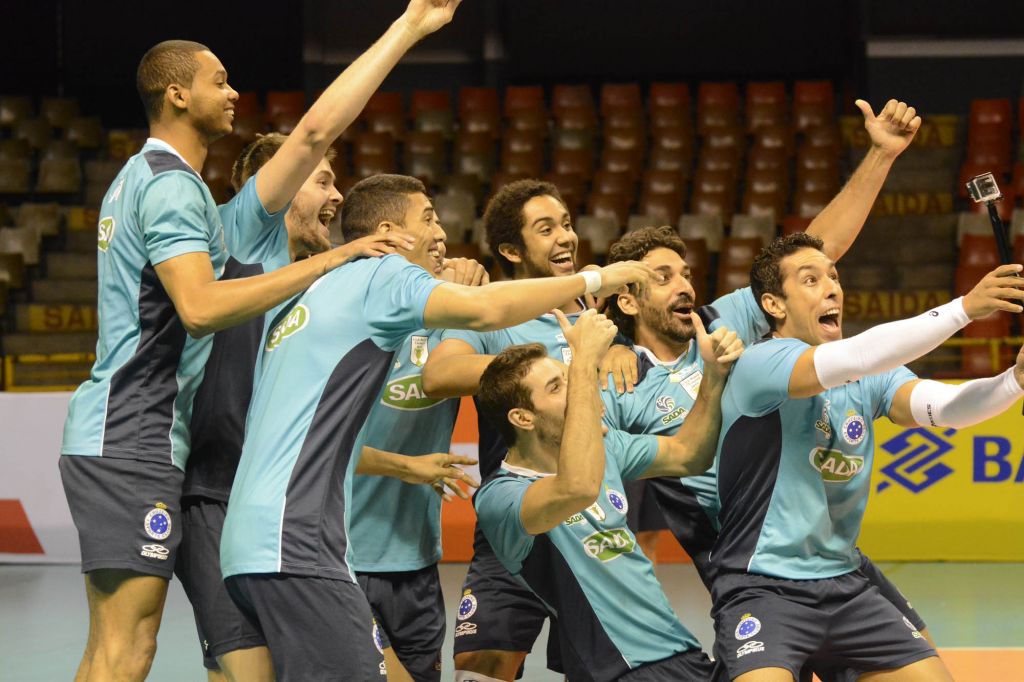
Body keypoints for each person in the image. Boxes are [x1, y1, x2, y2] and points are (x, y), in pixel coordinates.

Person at [422, 98, 923, 682]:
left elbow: (812, 251)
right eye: (545, 228)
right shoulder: (513, 321)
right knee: (485, 662)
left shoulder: (691, 329)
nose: (565, 235)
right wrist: (575, 366)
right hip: (528, 516)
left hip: (720, 535)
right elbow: (441, 376)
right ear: (511, 252)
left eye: (566, 223)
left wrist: (880, 156)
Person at [218, 173, 656, 681]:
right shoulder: (385, 284)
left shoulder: (325, 295)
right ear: (389, 233)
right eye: (428, 218)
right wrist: (597, 283)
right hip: (301, 542)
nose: (443, 232)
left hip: (289, 543)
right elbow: (470, 331)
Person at [709, 233, 1024, 681]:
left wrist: (1014, 379)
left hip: (844, 584)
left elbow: (948, 408)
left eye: (834, 277)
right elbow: (857, 355)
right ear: (774, 305)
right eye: (811, 280)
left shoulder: (868, 376)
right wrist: (964, 309)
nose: (832, 287)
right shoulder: (761, 364)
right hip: (762, 585)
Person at [472, 307, 741, 681]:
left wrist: (713, 375)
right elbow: (577, 486)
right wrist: (583, 363)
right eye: (556, 386)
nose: (573, 389)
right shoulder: (501, 498)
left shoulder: (606, 447)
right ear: (523, 418)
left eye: (567, 379)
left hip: (680, 653)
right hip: (616, 669)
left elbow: (689, 454)